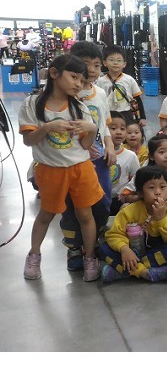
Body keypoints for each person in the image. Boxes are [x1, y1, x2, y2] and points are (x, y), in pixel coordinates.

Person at [19, 54, 103, 282]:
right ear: (54, 73)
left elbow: (85, 145)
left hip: (80, 168)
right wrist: (48, 127)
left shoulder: (80, 107)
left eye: (82, 80)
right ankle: (34, 255)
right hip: (50, 170)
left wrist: (92, 129)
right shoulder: (33, 104)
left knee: (85, 214)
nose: (78, 84)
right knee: (46, 214)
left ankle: (89, 257)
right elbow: (28, 140)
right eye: (74, 77)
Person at [60, 41, 116, 271]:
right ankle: (74, 246)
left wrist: (109, 145)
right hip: (71, 159)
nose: (92, 70)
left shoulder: (100, 93)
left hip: (99, 158)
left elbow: (104, 125)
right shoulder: (64, 94)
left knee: (102, 201)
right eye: (85, 64)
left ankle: (94, 240)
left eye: (96, 65)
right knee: (71, 205)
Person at [101, 165, 167, 283]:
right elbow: (114, 234)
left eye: (162, 187)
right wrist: (124, 249)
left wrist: (161, 219)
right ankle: (148, 273)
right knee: (103, 249)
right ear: (140, 192)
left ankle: (125, 271)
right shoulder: (129, 210)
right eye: (151, 187)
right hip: (132, 250)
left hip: (157, 250)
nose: (158, 192)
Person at [96, 45, 147, 127]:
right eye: (111, 60)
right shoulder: (100, 81)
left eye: (119, 60)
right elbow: (98, 100)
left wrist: (142, 117)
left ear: (124, 64)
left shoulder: (129, 80)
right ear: (104, 63)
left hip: (126, 114)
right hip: (108, 114)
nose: (115, 63)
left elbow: (138, 99)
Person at [107, 111, 140, 215]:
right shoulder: (97, 154)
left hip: (119, 199)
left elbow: (136, 180)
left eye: (122, 129)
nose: (119, 132)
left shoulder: (130, 156)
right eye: (113, 128)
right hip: (99, 198)